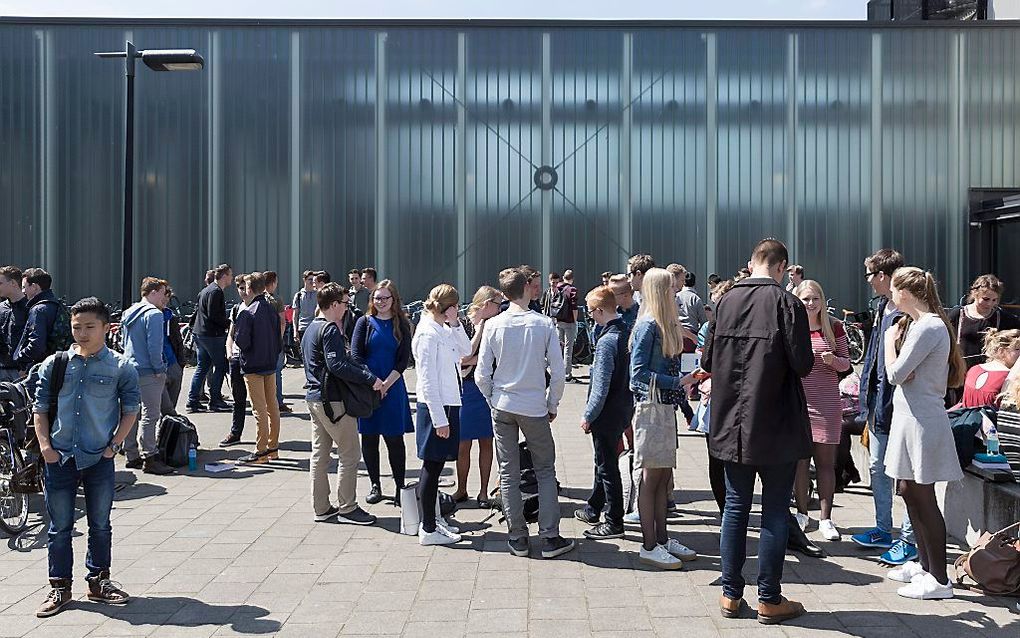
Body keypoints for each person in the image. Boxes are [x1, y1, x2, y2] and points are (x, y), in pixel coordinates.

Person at [702, 238, 813, 625]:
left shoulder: (725, 300)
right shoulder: (787, 303)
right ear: (782, 267)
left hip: (732, 420)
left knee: (735, 507)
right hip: (776, 421)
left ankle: (731, 594)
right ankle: (769, 597)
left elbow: (707, 358)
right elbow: (803, 363)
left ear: (751, 264)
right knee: (775, 510)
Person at [32, 297, 140, 618]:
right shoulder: (57, 363)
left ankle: (98, 581)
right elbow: (40, 408)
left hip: (98, 458)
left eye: (89, 327)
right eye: (76, 327)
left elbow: (131, 409)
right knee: (60, 527)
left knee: (100, 525)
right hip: (60, 457)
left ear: (107, 328)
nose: (82, 333)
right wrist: (46, 448)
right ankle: (60, 587)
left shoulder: (121, 367)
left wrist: (114, 446)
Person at [476, 266, 573, 559]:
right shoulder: (543, 324)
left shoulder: (493, 325)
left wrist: (492, 398)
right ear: (528, 289)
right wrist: (552, 404)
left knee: (508, 472)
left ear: (504, 293)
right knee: (544, 469)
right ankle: (549, 536)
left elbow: (482, 374)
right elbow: (557, 373)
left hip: (503, 404)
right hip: (533, 406)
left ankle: (517, 536)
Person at [881, 267, 966, 599]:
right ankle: (925, 566)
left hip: (922, 421)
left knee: (923, 496)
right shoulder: (922, 325)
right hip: (911, 418)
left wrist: (890, 344)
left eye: (893, 289)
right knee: (908, 490)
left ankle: (939, 579)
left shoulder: (928, 326)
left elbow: (896, 373)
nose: (890, 294)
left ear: (906, 292)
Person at [629, 268, 698, 569]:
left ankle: (661, 538)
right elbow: (637, 374)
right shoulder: (648, 325)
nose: (677, 292)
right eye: (672, 288)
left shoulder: (662, 324)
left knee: (661, 478)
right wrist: (679, 383)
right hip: (651, 407)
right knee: (651, 478)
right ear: (660, 291)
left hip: (662, 407)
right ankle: (649, 544)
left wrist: (683, 397)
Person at [852, 249, 917, 566]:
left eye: (869, 275)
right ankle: (882, 529)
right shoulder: (880, 307)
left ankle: (910, 538)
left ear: (882, 276)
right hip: (878, 404)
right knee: (877, 467)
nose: (867, 282)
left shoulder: (910, 312)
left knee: (905, 474)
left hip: (902, 404)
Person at [303, 282, 381, 525]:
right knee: (349, 454)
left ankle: (322, 507)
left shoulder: (310, 328)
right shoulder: (329, 330)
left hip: (315, 399)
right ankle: (348, 507)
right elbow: (336, 365)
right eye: (346, 304)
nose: (347, 308)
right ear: (334, 304)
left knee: (320, 455)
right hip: (333, 401)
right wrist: (370, 378)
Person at [412, 284, 472, 545]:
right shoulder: (427, 333)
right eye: (456, 306)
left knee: (436, 467)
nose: (458, 310)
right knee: (431, 467)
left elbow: (466, 350)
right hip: (436, 406)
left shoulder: (443, 328)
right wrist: (439, 419)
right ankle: (427, 528)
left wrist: (456, 323)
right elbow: (427, 380)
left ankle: (433, 520)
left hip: (449, 403)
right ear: (447, 306)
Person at [792, 280, 851, 541]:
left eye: (815, 298)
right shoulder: (792, 326)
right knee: (800, 463)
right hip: (798, 403)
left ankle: (826, 519)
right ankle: (802, 513)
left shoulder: (834, 326)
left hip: (827, 403)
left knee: (826, 464)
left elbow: (846, 363)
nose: (811, 303)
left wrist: (832, 360)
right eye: (805, 299)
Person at [573, 285, 633, 540]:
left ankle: (614, 520)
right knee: (603, 460)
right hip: (622, 408)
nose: (589, 317)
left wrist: (588, 415)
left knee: (607, 466)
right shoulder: (625, 331)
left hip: (606, 412)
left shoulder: (607, 340)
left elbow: (600, 384)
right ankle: (593, 507)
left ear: (599, 311)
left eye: (590, 312)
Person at [351, 279, 413, 505]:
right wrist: (374, 382)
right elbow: (356, 356)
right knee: (369, 438)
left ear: (393, 299)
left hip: (393, 388)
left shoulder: (402, 324)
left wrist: (386, 384)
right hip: (369, 389)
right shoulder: (364, 322)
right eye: (377, 298)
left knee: (394, 440)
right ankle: (375, 484)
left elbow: (403, 360)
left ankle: (400, 486)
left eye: (385, 298)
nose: (381, 302)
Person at [452, 286, 501, 506]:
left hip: (486, 389)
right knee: (463, 444)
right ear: (486, 304)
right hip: (465, 389)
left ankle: (483, 491)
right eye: (498, 305)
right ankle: (461, 488)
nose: (501, 309)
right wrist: (481, 328)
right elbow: (462, 357)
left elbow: (496, 359)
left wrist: (474, 360)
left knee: (486, 442)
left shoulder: (498, 326)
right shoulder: (460, 323)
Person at [120, 277, 174, 475]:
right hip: (148, 371)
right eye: (162, 292)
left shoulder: (129, 312)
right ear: (152, 292)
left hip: (129, 368)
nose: (165, 297)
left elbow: (123, 341)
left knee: (131, 413)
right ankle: (149, 457)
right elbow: (154, 347)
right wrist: (160, 369)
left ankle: (131, 453)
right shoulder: (154, 315)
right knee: (150, 415)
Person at [233, 272, 283, 464]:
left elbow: (242, 341)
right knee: (272, 407)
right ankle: (273, 447)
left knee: (259, 409)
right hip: (270, 364)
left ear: (250, 288)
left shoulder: (248, 311)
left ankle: (261, 451)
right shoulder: (270, 308)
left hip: (253, 365)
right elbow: (278, 334)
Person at [947, 275, 1020, 370]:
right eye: (986, 299)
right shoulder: (958, 314)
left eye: (994, 300)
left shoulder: (1002, 317)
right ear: (975, 293)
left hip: (990, 372)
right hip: (961, 371)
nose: (990, 304)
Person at [187, 264, 233, 413]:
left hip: (201, 334)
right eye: (230, 275)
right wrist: (229, 323)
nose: (232, 278)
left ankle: (193, 401)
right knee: (220, 366)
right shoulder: (216, 292)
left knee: (203, 367)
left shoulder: (205, 290)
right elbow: (214, 315)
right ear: (224, 276)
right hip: (212, 335)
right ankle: (215, 400)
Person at [220, 274, 253, 447]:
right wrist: (229, 351)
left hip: (253, 361)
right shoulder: (236, 309)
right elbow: (231, 334)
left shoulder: (257, 308)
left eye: (245, 288)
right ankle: (235, 432)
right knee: (238, 398)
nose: (243, 292)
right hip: (236, 359)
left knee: (259, 402)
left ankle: (266, 437)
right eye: (240, 288)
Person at [13, 268, 66, 371]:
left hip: (40, 368)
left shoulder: (38, 310)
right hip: (59, 364)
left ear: (34, 287)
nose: (23, 291)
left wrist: (19, 358)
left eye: (24, 287)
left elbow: (36, 346)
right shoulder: (57, 305)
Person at [959, 329, 1020, 408]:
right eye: (1017, 349)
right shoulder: (1010, 378)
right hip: (991, 419)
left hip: (967, 418)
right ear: (1001, 351)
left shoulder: (974, 369)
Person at [264, 271, 291, 413]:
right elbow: (282, 322)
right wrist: (279, 339)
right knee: (277, 372)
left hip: (261, 343)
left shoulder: (257, 298)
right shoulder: (276, 300)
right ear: (273, 282)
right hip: (274, 341)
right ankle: (278, 402)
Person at [160, 284, 186, 416]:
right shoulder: (147, 316)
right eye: (163, 295)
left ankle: (166, 430)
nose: (165, 300)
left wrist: (180, 363)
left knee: (170, 405)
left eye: (167, 297)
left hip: (172, 363)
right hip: (155, 368)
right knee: (164, 408)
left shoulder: (171, 317)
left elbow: (178, 341)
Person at [0, 265, 28, 381]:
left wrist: (26, 366)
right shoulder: (1, 308)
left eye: (0, 283)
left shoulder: (30, 308)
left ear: (12, 283)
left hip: (21, 371)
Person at [292, 270, 318, 356]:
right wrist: (295, 331)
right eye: (309, 279)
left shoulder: (318, 294)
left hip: (315, 326)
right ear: (304, 280)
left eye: (313, 280)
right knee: (304, 353)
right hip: (303, 327)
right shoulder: (299, 295)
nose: (312, 282)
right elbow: (295, 315)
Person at [676, 268, 707, 335]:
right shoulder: (695, 298)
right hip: (691, 333)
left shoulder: (676, 296)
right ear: (694, 283)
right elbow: (703, 321)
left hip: (677, 332)